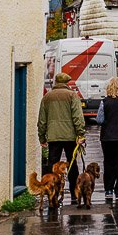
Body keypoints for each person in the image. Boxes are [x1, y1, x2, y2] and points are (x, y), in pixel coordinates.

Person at [37, 72, 86, 203]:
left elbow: (42, 120)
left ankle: (51, 192)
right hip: (70, 137)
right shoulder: (72, 95)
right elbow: (77, 117)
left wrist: (42, 137)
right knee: (72, 164)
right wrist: (80, 133)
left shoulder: (47, 97)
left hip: (53, 137)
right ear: (67, 83)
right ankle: (74, 193)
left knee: (53, 165)